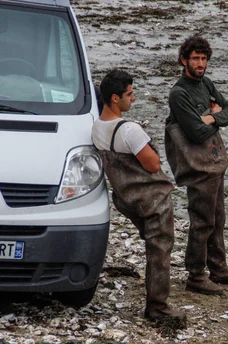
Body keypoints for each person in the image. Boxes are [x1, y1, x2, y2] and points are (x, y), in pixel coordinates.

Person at [92, 69, 185, 328]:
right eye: (129, 94)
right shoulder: (129, 130)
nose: (134, 98)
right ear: (114, 98)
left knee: (152, 245)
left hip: (127, 199)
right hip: (152, 200)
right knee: (160, 250)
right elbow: (153, 164)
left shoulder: (97, 128)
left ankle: (155, 300)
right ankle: (158, 306)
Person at [165, 34, 228, 296]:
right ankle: (196, 275)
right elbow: (196, 133)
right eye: (196, 59)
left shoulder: (206, 83)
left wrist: (211, 116)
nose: (201, 64)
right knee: (202, 219)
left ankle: (218, 267)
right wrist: (215, 116)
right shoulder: (178, 94)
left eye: (204, 59)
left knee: (218, 217)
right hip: (196, 164)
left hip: (213, 162)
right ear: (183, 60)